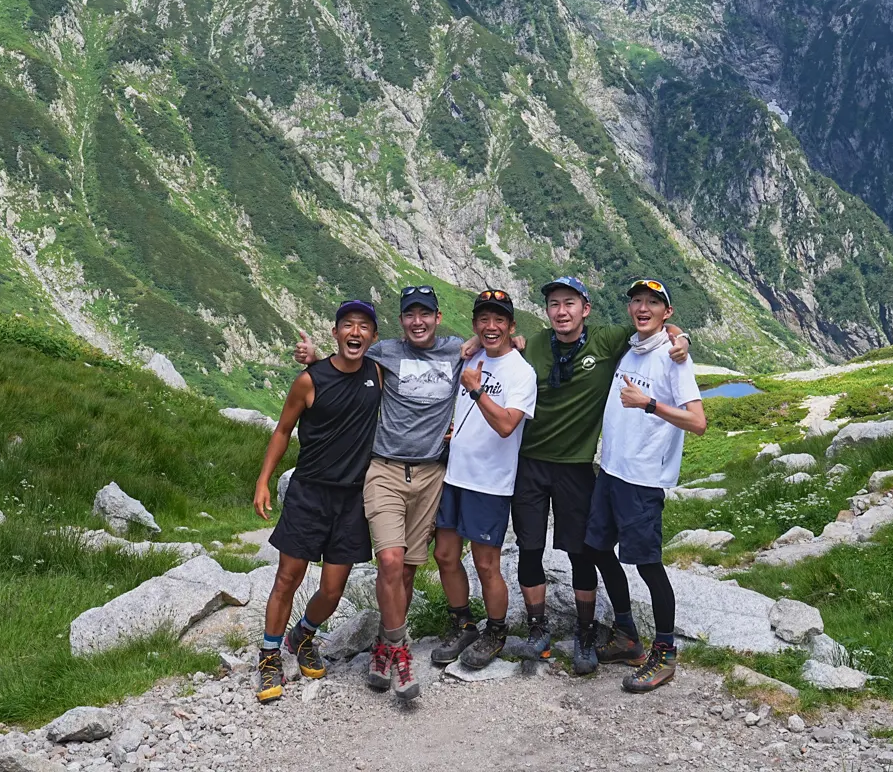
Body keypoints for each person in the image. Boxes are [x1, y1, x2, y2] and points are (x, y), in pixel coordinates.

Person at [505, 274, 690, 674]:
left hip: (580, 466)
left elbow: (658, 327)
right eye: (554, 304)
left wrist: (682, 337)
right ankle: (542, 629)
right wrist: (473, 343)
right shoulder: (533, 344)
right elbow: (495, 347)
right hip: (535, 462)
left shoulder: (607, 341)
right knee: (536, 546)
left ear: (585, 309)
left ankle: (590, 632)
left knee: (584, 551)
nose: (562, 311)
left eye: (570, 303)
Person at [295, 285, 462, 702]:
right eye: (410, 315)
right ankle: (401, 652)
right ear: (401, 320)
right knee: (388, 560)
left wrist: (512, 338)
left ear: (438, 318)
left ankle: (383, 649)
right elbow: (345, 362)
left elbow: (495, 348)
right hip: (385, 469)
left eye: (426, 314)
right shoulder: (383, 351)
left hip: (431, 475)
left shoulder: (458, 350)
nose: (418, 321)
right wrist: (314, 359)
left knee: (405, 571)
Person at [251, 300, 386, 704]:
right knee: (287, 578)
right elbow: (282, 430)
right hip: (310, 493)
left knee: (332, 588)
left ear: (373, 338)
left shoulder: (378, 373)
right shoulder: (309, 380)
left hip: (352, 500)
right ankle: (269, 655)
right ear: (336, 333)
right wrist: (264, 480)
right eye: (348, 325)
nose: (356, 332)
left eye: (364, 327)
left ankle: (303, 635)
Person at [585, 278, 706, 692]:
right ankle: (626, 636)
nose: (642, 307)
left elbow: (699, 422)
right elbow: (664, 334)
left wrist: (650, 404)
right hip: (612, 471)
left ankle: (665, 652)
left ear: (666, 311)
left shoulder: (675, 360)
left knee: (648, 564)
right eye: (636, 300)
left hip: (643, 479)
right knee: (596, 548)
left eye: (652, 302)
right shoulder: (633, 348)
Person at [431, 289, 537, 670]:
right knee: (444, 555)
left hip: (490, 483)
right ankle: (463, 622)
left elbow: (508, 425)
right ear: (475, 323)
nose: (491, 327)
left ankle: (496, 630)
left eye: (499, 321)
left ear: (511, 326)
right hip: (455, 474)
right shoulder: (472, 354)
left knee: (486, 564)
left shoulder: (522, 372)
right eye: (483, 320)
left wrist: (475, 391)